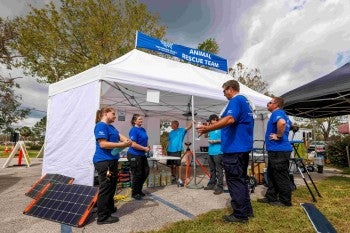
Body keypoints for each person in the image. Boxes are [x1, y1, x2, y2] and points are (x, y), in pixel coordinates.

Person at [196, 80, 254, 223]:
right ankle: (246, 210)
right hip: (242, 148)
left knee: (234, 180)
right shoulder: (245, 101)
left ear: (230, 89)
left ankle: (240, 215)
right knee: (241, 179)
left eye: (224, 91)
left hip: (234, 149)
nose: (223, 94)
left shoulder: (236, 100)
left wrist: (208, 128)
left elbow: (229, 119)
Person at [93, 107, 132, 225]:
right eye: (113, 114)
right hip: (104, 161)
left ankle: (109, 208)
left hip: (112, 161)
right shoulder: (101, 126)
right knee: (106, 188)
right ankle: (102, 217)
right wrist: (122, 144)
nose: (115, 116)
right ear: (105, 113)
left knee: (112, 186)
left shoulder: (111, 127)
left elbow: (123, 138)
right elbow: (103, 144)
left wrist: (127, 141)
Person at [257, 97, 293, 206]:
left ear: (276, 104)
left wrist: (279, 135)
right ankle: (271, 197)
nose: (267, 104)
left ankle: (285, 201)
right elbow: (290, 125)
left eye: (270, 103)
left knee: (281, 176)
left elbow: (282, 123)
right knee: (272, 174)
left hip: (279, 150)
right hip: (276, 150)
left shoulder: (277, 113)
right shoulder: (283, 114)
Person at [127, 114, 150, 200]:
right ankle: (135, 193)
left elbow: (145, 140)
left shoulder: (143, 129)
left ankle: (139, 190)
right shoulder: (133, 130)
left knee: (145, 172)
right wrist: (144, 148)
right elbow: (133, 144)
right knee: (137, 174)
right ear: (134, 121)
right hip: (134, 154)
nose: (141, 120)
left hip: (142, 154)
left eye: (141, 119)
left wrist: (148, 146)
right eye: (139, 119)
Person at [166, 120, 192, 186]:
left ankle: (179, 179)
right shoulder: (171, 132)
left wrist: (192, 123)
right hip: (169, 150)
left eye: (172, 124)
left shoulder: (181, 130)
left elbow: (189, 127)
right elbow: (169, 141)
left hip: (177, 150)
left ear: (176, 124)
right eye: (171, 124)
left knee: (178, 165)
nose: (171, 125)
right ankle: (173, 176)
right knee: (171, 165)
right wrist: (166, 149)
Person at [204, 114, 224, 195]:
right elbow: (205, 136)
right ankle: (211, 184)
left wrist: (216, 141)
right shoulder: (211, 128)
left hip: (218, 152)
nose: (211, 123)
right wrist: (207, 128)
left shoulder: (221, 128)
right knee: (212, 169)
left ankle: (220, 187)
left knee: (219, 170)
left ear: (216, 120)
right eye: (210, 122)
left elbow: (225, 139)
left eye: (211, 121)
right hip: (210, 152)